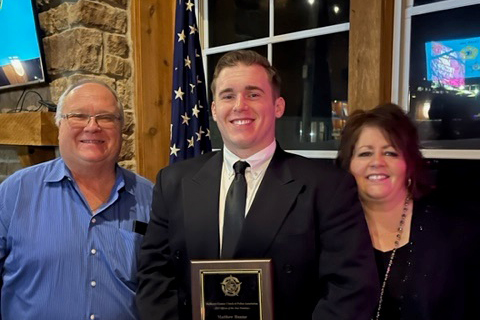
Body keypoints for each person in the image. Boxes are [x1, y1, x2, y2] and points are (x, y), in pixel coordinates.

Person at [136, 50, 379, 320]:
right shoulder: (173, 182)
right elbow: (154, 276)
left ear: (278, 106)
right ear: (214, 110)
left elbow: (349, 289)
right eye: (228, 95)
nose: (240, 105)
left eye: (253, 94)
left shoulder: (328, 186)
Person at [0, 80, 153, 320]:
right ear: (59, 124)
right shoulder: (14, 192)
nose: (92, 127)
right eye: (78, 116)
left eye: (106, 117)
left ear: (121, 127)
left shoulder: (150, 198)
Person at [336, 103, 480, 320]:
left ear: (409, 164)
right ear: (348, 166)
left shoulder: (455, 229)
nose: (377, 162)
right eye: (365, 154)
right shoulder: (330, 227)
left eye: (390, 153)